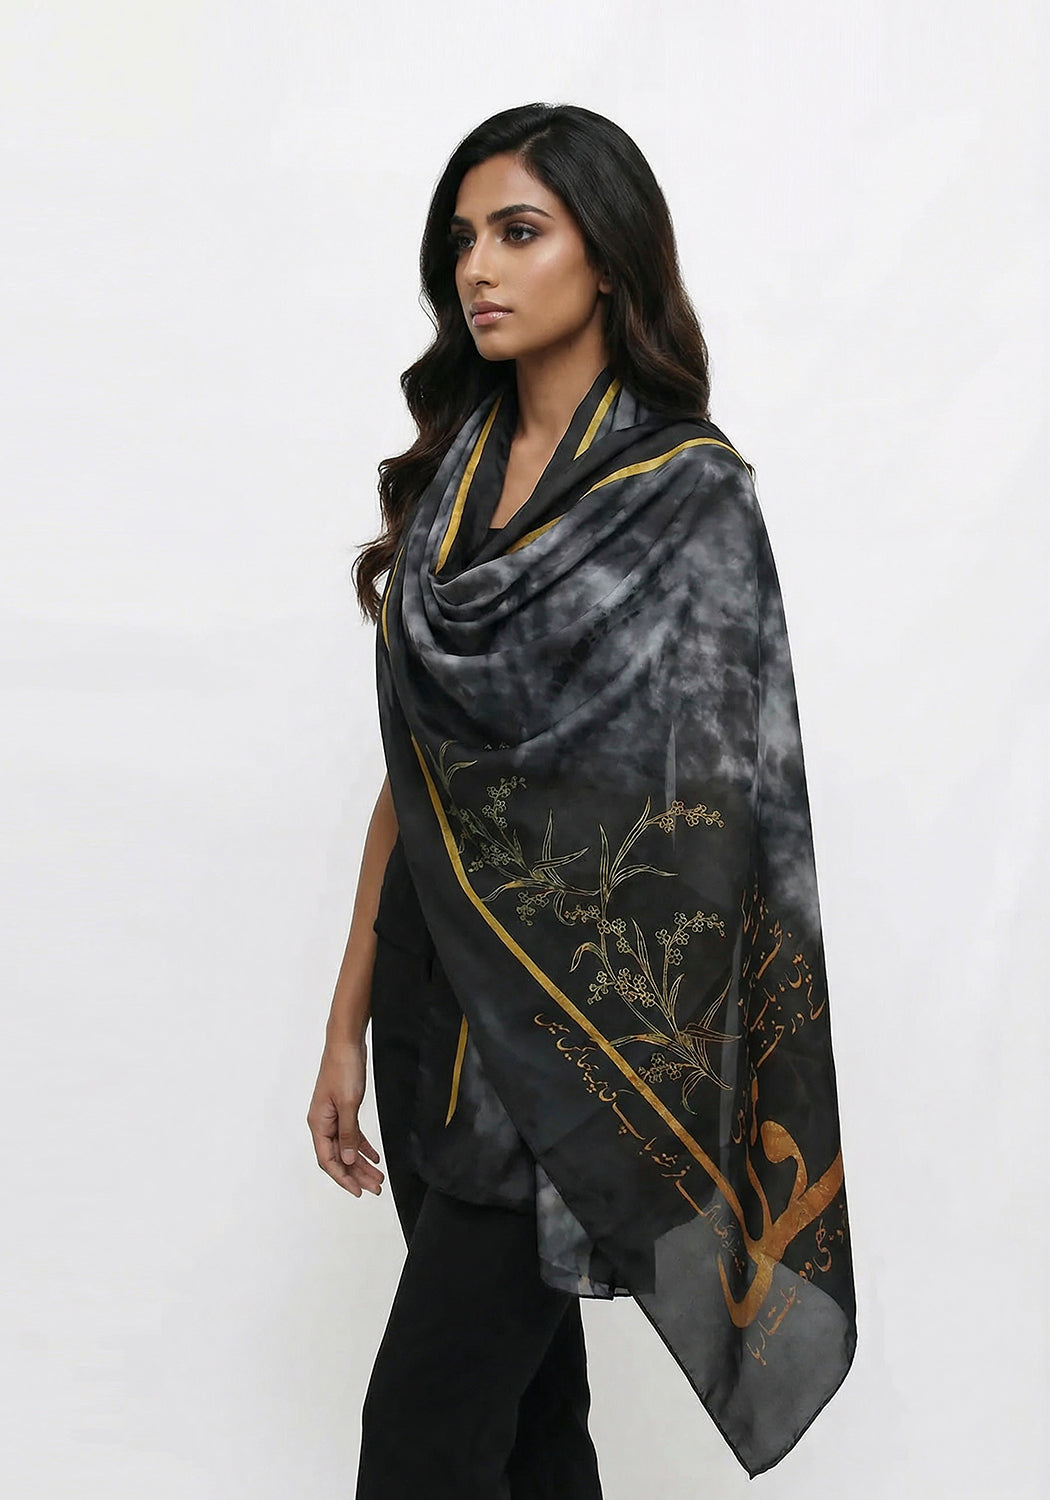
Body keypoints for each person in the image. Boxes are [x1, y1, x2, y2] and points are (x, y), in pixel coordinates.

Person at [307, 103, 856, 1496]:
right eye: (463, 240)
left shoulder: (685, 496)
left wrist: (625, 1049)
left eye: (518, 232)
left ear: (604, 257)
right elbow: (418, 776)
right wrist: (347, 1015)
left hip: (567, 1027)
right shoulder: (451, 477)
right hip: (429, 994)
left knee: (422, 1437)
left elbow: (723, 816)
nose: (478, 270)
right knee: (532, 1422)